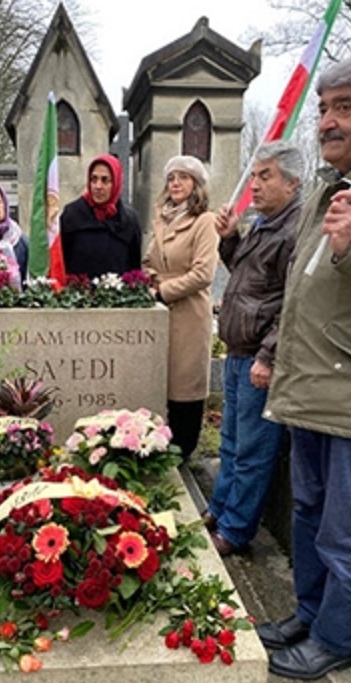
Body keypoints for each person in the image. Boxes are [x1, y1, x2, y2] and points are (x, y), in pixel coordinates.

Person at [256, 54, 351, 680]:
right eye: (323, 108)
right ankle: (311, 614)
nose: (326, 121)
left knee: (348, 530)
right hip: (311, 386)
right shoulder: (331, 182)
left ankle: (336, 638)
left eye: (344, 107)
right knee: (309, 514)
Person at [204, 141, 304, 557]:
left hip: (260, 360)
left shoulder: (294, 231)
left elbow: (294, 302)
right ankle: (220, 508)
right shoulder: (265, 224)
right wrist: (230, 239)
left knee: (252, 451)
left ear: (292, 183)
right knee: (230, 441)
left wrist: (268, 356)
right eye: (254, 175)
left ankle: (235, 529)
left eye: (266, 176)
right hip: (238, 352)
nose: (255, 185)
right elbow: (247, 277)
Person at [143, 155, 218, 459]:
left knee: (184, 385)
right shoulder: (162, 220)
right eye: (171, 178)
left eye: (183, 177)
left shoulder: (204, 221)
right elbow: (148, 260)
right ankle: (159, 447)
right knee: (161, 383)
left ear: (196, 184)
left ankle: (183, 452)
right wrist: (149, 278)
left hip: (189, 314)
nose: (175, 183)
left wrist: (162, 291)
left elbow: (203, 273)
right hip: (161, 315)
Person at [60, 154, 142, 279]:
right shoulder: (72, 215)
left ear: (116, 183)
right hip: (78, 290)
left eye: (105, 180)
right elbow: (61, 261)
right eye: (94, 179)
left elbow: (134, 269)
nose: (98, 186)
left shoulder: (129, 220)